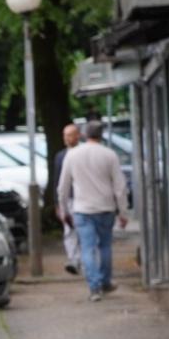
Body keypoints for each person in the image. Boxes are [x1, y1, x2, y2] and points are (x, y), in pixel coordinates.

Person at [58, 121, 129, 302]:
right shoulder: (110, 155)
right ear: (101, 135)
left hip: (82, 209)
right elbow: (120, 187)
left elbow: (63, 187)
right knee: (104, 246)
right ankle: (105, 281)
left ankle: (94, 288)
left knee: (87, 249)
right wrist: (123, 212)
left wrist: (64, 210)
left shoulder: (72, 155)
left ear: (83, 135)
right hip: (106, 208)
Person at [49, 123, 82, 275]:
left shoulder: (84, 153)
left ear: (78, 136)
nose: (67, 138)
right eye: (65, 135)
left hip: (82, 198)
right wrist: (57, 203)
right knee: (69, 230)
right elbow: (56, 180)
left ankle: (84, 260)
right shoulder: (60, 156)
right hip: (67, 198)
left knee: (83, 231)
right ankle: (73, 259)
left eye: (70, 135)